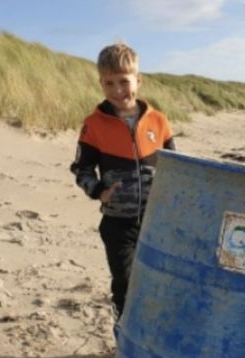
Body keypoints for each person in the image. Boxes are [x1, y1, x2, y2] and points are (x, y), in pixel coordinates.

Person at [70, 43, 176, 321]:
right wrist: (98, 191)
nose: (117, 90)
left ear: (138, 81)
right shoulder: (94, 124)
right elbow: (81, 169)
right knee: (125, 283)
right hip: (118, 224)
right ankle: (124, 334)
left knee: (156, 280)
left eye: (124, 82)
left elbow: (176, 169)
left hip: (156, 219)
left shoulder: (159, 121)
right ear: (101, 84)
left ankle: (151, 331)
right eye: (109, 83)